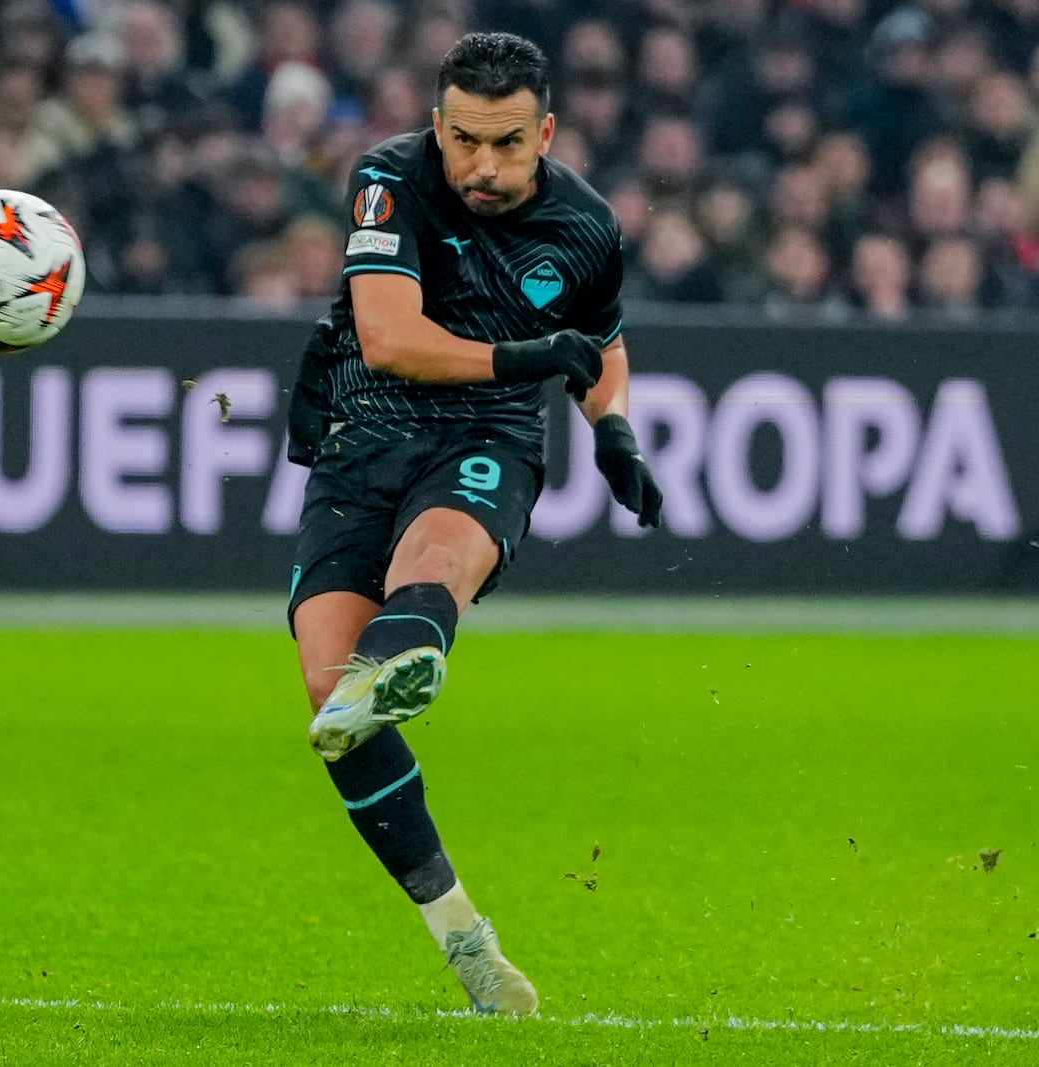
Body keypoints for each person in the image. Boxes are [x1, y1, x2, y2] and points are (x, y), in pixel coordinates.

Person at [284, 32, 663, 1016]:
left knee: (437, 556)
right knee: (334, 703)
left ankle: (416, 645)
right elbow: (389, 338)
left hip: (485, 434)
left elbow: (601, 344)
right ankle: (464, 939)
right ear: (436, 124)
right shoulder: (387, 179)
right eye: (462, 140)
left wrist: (611, 427)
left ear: (545, 130)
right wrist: (538, 356)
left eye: (503, 143)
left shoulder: (585, 224)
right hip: (365, 428)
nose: (481, 167)